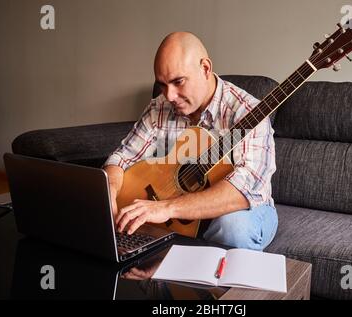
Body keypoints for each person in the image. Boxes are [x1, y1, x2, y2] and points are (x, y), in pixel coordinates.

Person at [103, 32, 277, 251]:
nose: (170, 96)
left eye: (178, 82)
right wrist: (109, 188)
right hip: (178, 212)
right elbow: (123, 157)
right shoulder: (160, 107)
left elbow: (242, 191)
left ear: (205, 68)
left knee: (233, 226)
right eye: (162, 85)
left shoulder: (247, 113)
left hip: (248, 209)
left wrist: (166, 208)